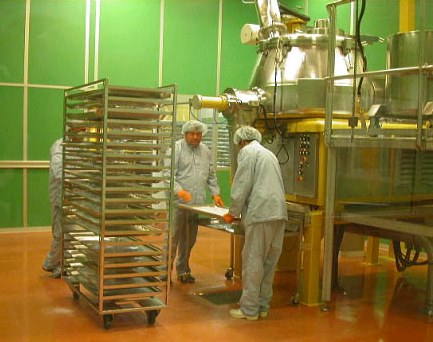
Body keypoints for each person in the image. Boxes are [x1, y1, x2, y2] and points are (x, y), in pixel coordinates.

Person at [223, 126, 288, 320]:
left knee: (253, 261)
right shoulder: (269, 154)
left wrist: (233, 212)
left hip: (260, 214)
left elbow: (242, 184)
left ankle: (249, 310)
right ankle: (262, 306)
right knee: (269, 263)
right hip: (278, 213)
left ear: (241, 142)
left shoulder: (247, 152)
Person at [171, 120, 224, 283]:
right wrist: (178, 190)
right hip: (178, 203)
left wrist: (215, 193)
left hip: (196, 205)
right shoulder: (177, 148)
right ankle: (164, 273)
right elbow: (168, 174)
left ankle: (183, 270)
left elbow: (211, 175)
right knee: (173, 238)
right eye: (192, 134)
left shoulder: (206, 151)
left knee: (189, 239)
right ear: (185, 134)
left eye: (198, 134)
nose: (196, 137)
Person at [42, 138, 63, 279]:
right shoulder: (59, 146)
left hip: (71, 198)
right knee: (59, 234)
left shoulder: (77, 146)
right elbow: (58, 171)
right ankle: (50, 262)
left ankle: (60, 266)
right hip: (59, 197)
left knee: (69, 234)